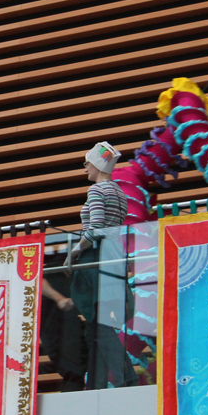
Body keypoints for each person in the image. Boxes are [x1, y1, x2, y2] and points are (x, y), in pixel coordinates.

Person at [64, 141, 138, 389]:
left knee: (98, 323)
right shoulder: (119, 193)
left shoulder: (96, 191)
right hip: (115, 258)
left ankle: (121, 376)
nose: (85, 169)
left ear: (96, 164)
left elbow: (94, 230)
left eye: (86, 164)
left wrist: (73, 253)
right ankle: (119, 376)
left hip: (95, 259)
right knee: (101, 325)